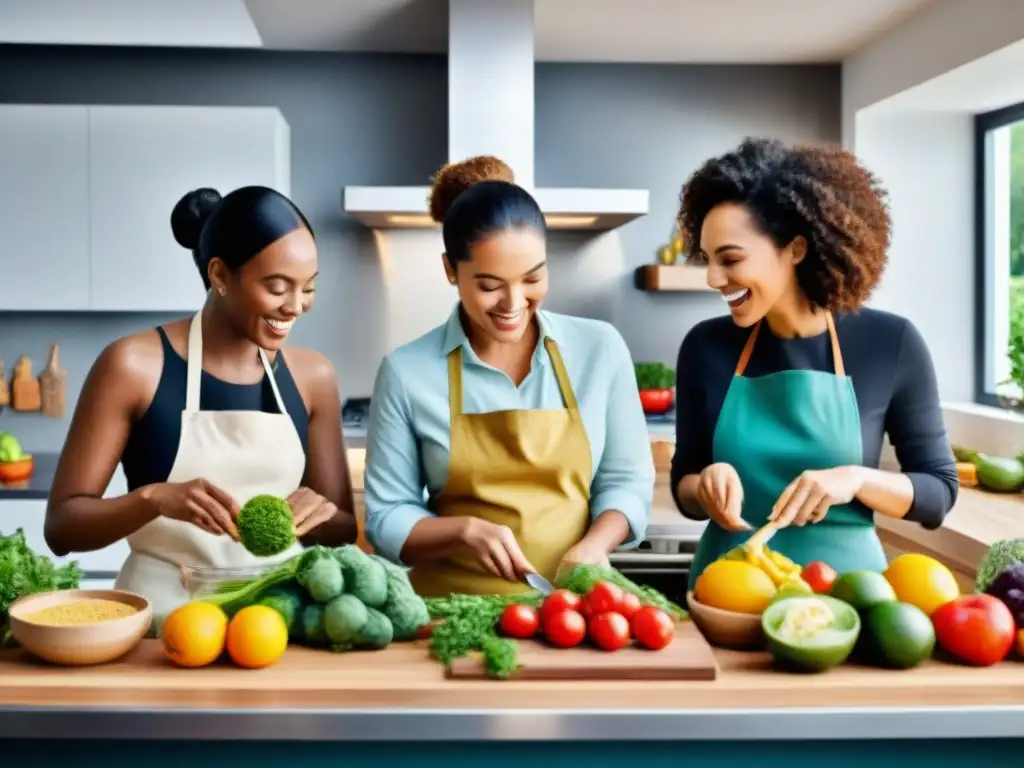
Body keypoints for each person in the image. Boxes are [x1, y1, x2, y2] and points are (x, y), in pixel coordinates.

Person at [45, 185, 357, 624]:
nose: (295, 307)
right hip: (165, 625)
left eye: (308, 288)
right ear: (221, 276)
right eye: (277, 287)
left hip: (277, 624)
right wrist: (152, 499)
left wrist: (318, 515)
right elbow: (62, 528)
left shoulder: (313, 377)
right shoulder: (133, 366)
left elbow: (344, 531)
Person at [671, 138, 958, 589]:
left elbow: (938, 492)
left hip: (851, 600)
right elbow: (683, 487)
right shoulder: (706, 346)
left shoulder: (890, 343)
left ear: (797, 249)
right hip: (728, 594)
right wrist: (704, 484)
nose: (712, 278)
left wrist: (856, 480)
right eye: (707, 260)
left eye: (730, 259)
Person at [363, 156, 654, 597]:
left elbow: (625, 482)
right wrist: (462, 531)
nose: (513, 302)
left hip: (574, 611)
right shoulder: (406, 372)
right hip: (450, 614)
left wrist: (596, 545)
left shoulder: (600, 349)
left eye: (532, 278)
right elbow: (386, 516)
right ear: (449, 270)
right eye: (489, 284)